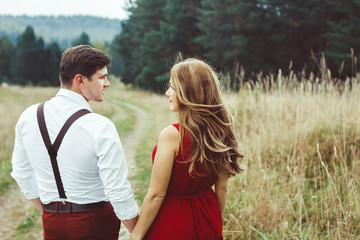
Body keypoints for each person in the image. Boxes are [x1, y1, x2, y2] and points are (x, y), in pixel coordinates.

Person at [11, 45, 138, 240]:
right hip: (95, 223)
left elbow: (21, 173)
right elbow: (117, 188)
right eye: (102, 77)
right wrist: (139, 231)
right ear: (80, 80)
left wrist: (48, 210)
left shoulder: (28, 116)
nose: (107, 83)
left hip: (52, 221)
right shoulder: (99, 126)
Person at [129, 57, 244, 240]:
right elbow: (222, 190)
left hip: (173, 224)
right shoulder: (222, 130)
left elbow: (156, 195)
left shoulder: (172, 135)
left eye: (172, 87)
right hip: (208, 219)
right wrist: (214, 223)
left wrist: (136, 236)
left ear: (188, 91)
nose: (167, 93)